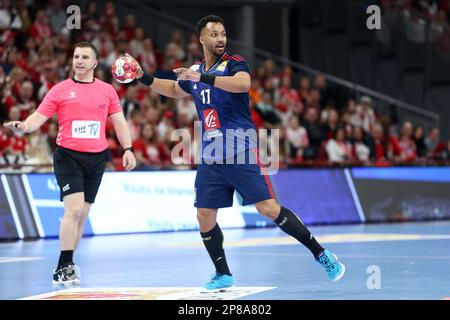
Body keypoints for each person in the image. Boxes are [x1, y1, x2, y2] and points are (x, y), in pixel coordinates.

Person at [128, 15, 345, 290]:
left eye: (223, 34)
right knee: (204, 215)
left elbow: (244, 84)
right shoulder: (194, 70)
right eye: (215, 34)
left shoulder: (234, 64)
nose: (221, 38)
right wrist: (143, 77)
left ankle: (321, 254)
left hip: (240, 149)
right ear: (201, 39)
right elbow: (172, 88)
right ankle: (223, 274)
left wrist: (203, 76)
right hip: (211, 155)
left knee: (268, 209)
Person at [3, 42, 136, 286]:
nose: (79, 61)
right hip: (68, 156)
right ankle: (63, 266)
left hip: (97, 158)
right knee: (73, 211)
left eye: (85, 57)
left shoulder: (107, 91)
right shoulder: (59, 90)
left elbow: (119, 123)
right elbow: (37, 118)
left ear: (95, 63)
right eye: (76, 56)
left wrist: (128, 149)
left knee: (82, 215)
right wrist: (23, 126)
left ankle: (67, 264)